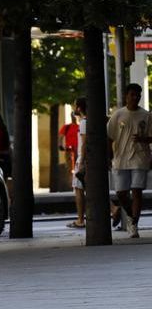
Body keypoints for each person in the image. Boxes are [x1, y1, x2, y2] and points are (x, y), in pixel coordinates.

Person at [107, 83, 152, 238]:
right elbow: (109, 137)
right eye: (132, 94)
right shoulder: (117, 115)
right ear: (126, 96)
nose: (135, 97)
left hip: (140, 158)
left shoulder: (146, 115)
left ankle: (134, 225)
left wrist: (143, 139)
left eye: (138, 95)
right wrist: (109, 156)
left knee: (137, 191)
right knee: (121, 193)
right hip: (120, 159)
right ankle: (127, 213)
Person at [67, 98, 87, 229]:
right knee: (89, 188)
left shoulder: (84, 122)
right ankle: (113, 209)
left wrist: (81, 162)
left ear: (79, 108)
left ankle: (80, 219)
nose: (74, 109)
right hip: (86, 159)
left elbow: (85, 143)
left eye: (75, 106)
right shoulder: (89, 121)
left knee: (78, 189)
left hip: (83, 159)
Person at [59, 111, 80, 177]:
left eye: (75, 116)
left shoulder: (80, 126)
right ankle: (70, 183)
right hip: (69, 150)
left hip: (78, 150)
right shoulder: (67, 127)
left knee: (78, 167)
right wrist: (60, 145)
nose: (74, 117)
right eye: (72, 116)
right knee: (69, 167)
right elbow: (61, 137)